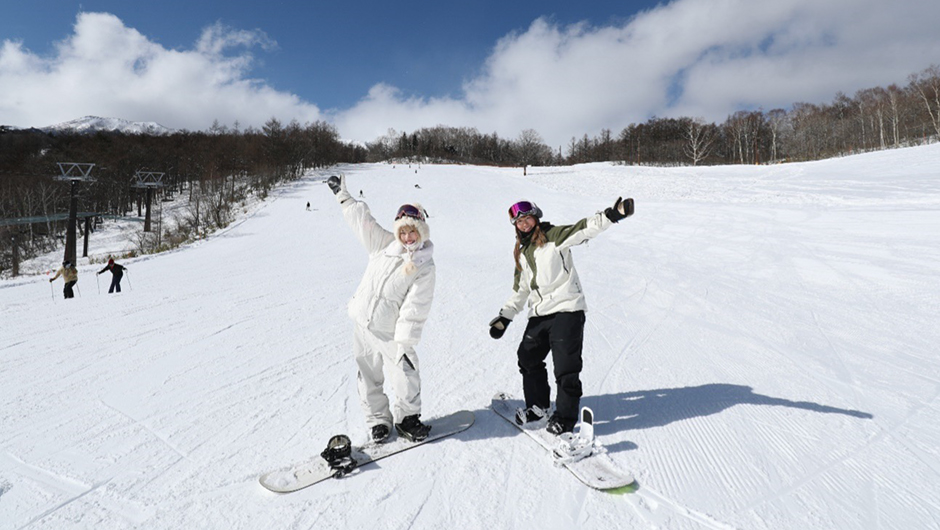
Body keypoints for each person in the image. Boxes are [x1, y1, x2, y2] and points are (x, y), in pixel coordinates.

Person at [488, 197, 635, 435]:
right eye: (519, 221)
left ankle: (565, 417)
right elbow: (521, 289)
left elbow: (583, 228)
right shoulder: (522, 253)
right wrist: (505, 317)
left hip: (567, 309)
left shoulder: (554, 236)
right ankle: (538, 407)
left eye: (527, 218)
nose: (524, 224)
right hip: (540, 313)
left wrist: (612, 215)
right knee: (527, 357)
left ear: (536, 217)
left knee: (566, 367)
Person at [327, 174, 436, 444]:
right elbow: (362, 222)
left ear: (421, 231)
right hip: (362, 323)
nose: (407, 236)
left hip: (391, 332)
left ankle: (407, 418)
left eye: (412, 231)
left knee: (404, 373)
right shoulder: (384, 245)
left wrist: (405, 339)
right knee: (367, 376)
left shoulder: (424, 266)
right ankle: (378, 420)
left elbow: (417, 305)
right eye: (403, 231)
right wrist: (343, 197)